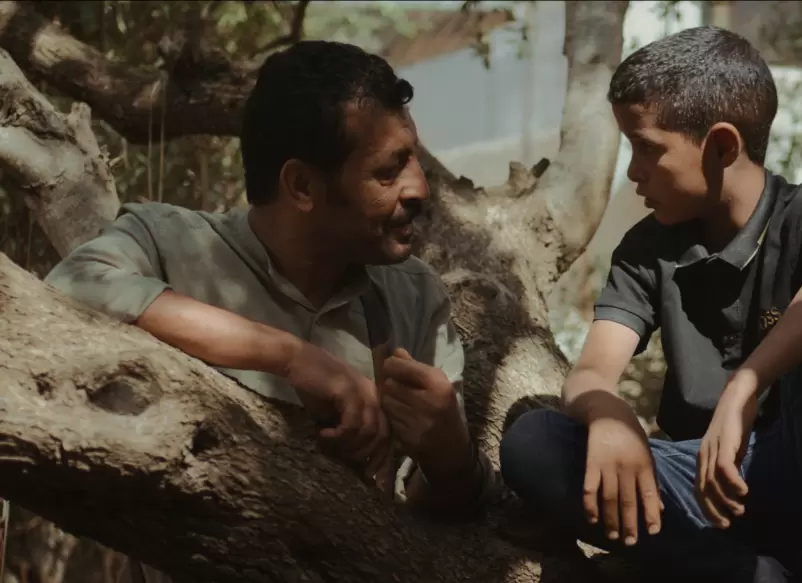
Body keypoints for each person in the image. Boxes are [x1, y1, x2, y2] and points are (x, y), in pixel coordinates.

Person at [499, 26, 802, 583]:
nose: (633, 172)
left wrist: (746, 385)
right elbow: (592, 371)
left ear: (721, 146)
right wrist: (607, 413)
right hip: (703, 490)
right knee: (534, 441)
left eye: (647, 148)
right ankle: (745, 575)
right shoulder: (647, 250)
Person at [46, 40, 495, 530]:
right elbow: (69, 290)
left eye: (414, 162)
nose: (420, 189)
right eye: (389, 171)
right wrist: (293, 357)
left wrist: (452, 460)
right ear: (301, 186)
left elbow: (438, 532)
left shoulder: (414, 296)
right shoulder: (170, 244)